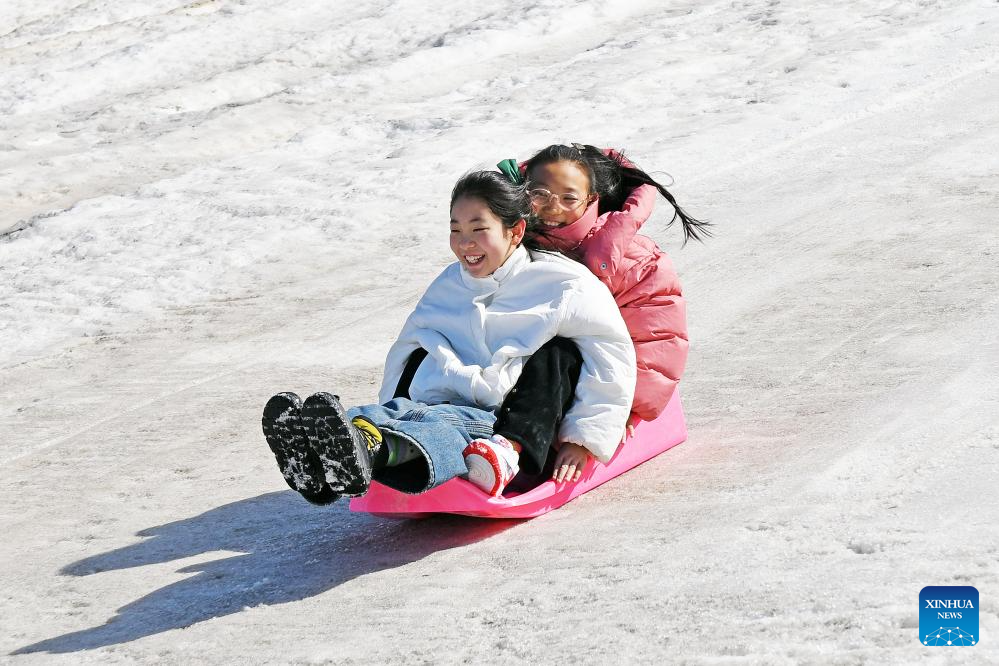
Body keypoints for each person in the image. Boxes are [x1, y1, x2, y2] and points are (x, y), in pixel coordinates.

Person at [261, 170, 636, 504]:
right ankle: (320, 446)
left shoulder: (563, 284)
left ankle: (367, 452)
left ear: (515, 231)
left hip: (502, 425)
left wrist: (583, 439)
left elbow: (610, 356)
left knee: (445, 425)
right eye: (455, 230)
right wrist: (394, 397)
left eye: (478, 230)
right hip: (438, 401)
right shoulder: (449, 283)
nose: (464, 243)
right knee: (397, 413)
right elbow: (409, 347)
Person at [496, 143, 708, 429]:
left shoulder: (635, 262)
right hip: (513, 382)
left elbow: (656, 338)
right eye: (539, 194)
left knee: (557, 354)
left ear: (590, 199)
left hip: (595, 387)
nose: (552, 207)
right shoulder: (508, 246)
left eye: (569, 198)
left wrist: (624, 412)